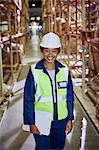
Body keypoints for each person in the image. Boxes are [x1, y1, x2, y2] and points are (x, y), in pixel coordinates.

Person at [23, 32, 74, 150]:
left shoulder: (65, 71)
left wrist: (70, 118)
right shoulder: (34, 71)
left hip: (61, 121)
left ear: (58, 51)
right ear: (42, 50)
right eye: (46, 50)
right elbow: (28, 99)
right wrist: (31, 122)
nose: (50, 55)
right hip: (40, 120)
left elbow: (69, 97)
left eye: (54, 51)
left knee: (58, 148)